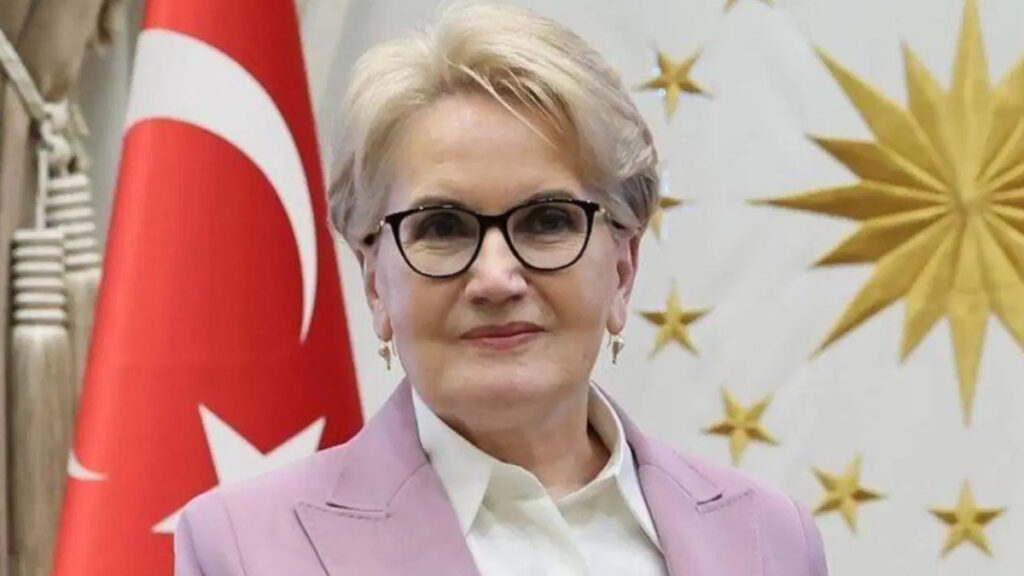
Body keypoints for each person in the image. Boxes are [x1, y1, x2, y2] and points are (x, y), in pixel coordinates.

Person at [173, 3, 828, 575]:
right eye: (442, 227)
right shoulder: (243, 549)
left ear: (623, 268)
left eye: (547, 221)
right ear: (374, 282)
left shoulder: (770, 538)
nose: (494, 279)